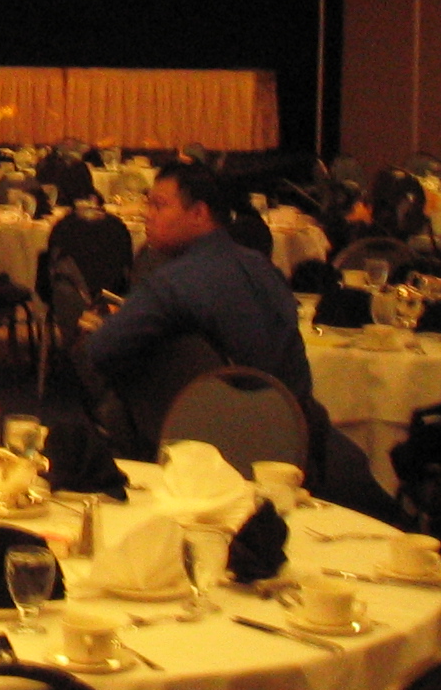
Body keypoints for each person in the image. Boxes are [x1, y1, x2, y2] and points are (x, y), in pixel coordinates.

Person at [80, 160, 393, 517]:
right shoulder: (262, 268)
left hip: (209, 453)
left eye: (159, 206)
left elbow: (99, 350)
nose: (146, 215)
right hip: (297, 441)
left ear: (199, 213)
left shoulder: (174, 283)